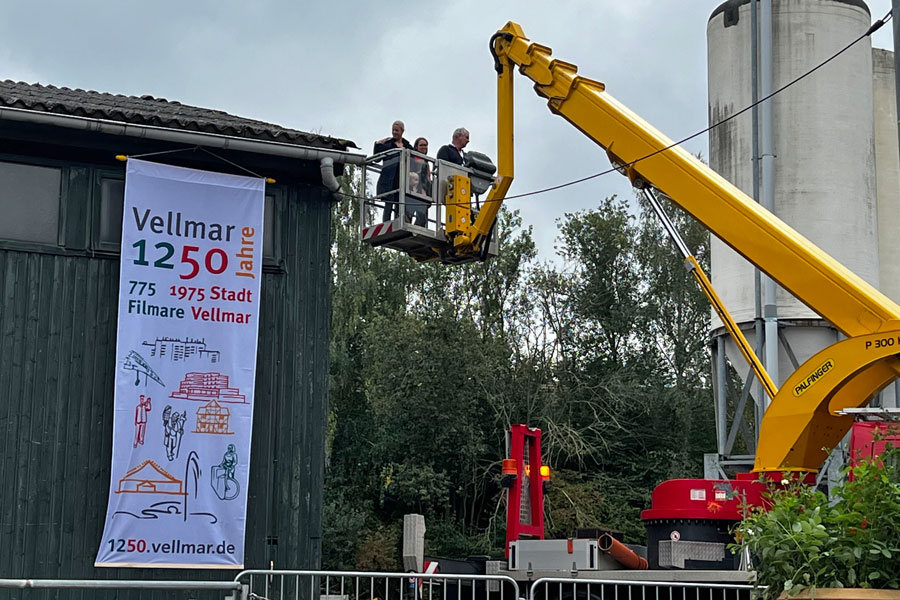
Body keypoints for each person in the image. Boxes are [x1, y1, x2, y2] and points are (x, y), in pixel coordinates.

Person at [373, 120, 413, 221]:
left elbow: (414, 157)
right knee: (389, 204)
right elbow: (377, 157)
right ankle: (386, 222)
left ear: (402, 131)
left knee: (400, 202)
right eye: (393, 130)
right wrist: (377, 144)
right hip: (389, 179)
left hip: (401, 179)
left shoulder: (407, 145)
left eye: (397, 130)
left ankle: (398, 220)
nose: (394, 132)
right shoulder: (388, 144)